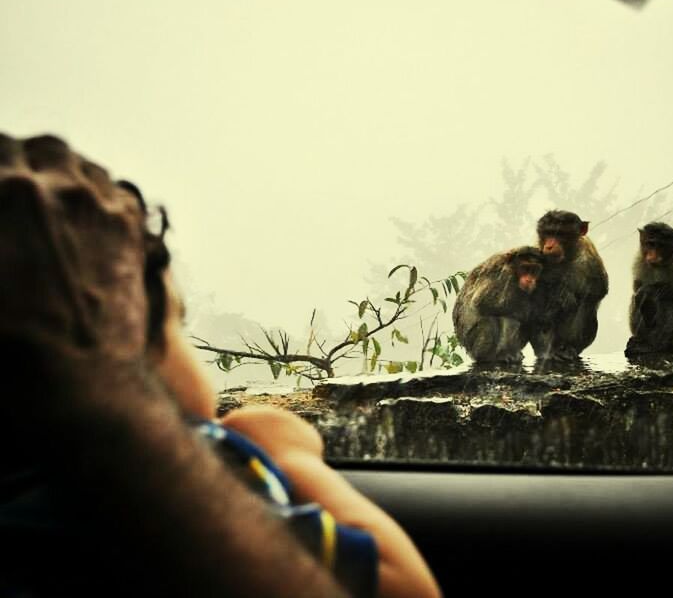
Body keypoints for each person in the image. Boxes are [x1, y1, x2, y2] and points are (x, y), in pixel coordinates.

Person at [0, 133, 440, 597]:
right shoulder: (201, 468)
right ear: (126, 343)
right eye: (178, 322)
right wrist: (290, 457)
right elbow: (408, 588)